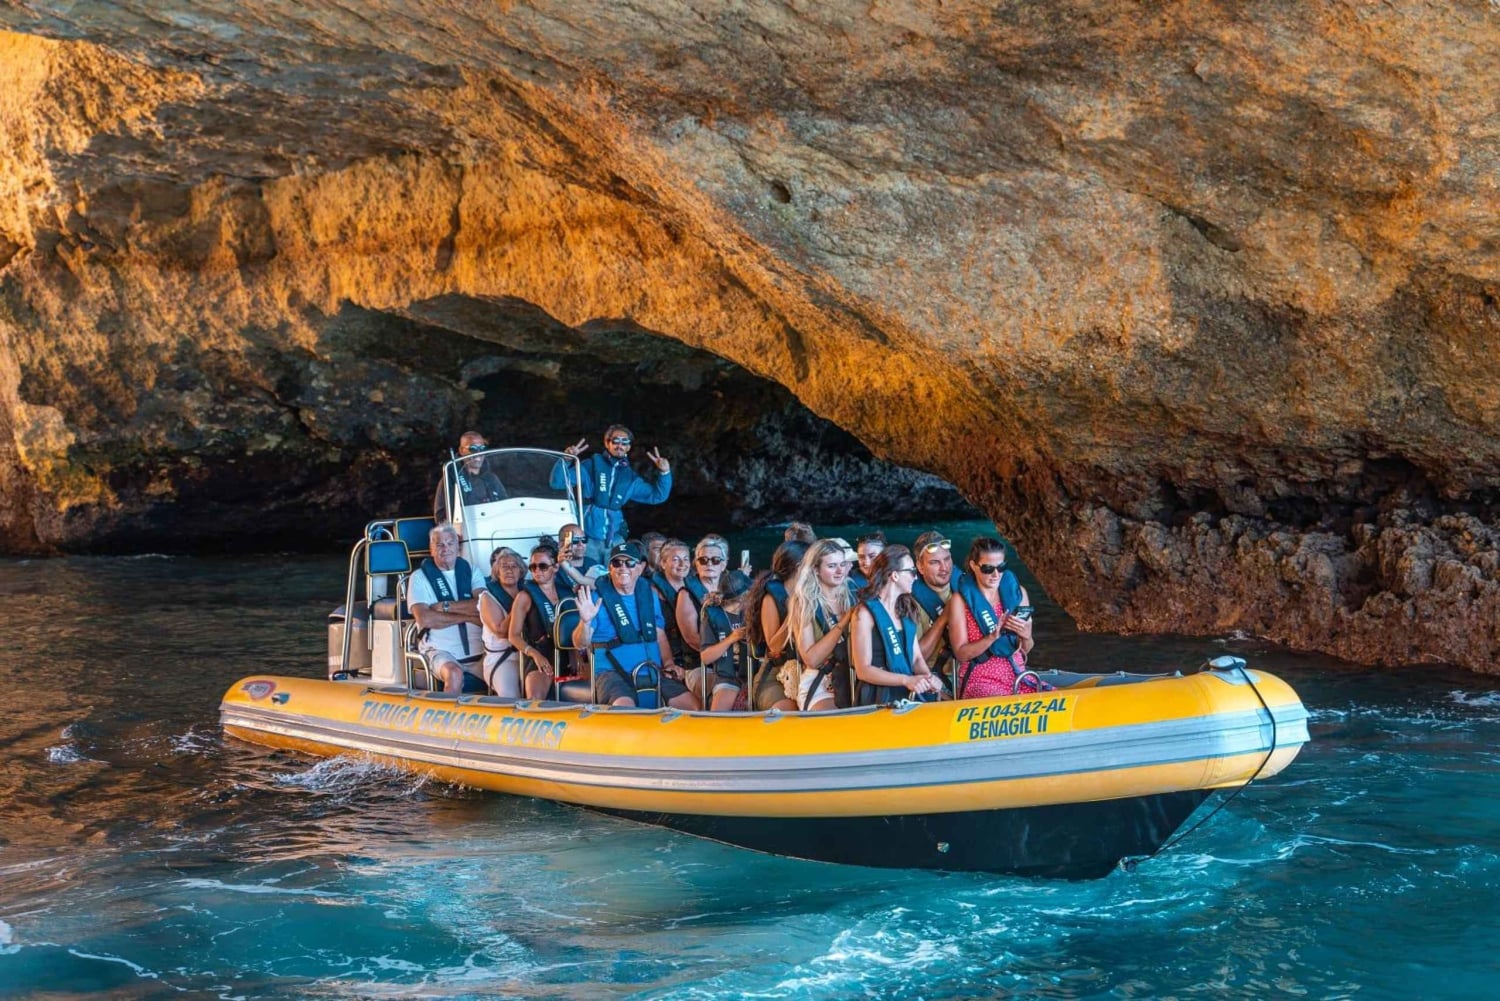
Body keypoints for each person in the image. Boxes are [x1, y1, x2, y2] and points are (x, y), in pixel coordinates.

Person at [574, 542, 698, 709]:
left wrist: (668, 663)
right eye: (617, 563)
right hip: (612, 674)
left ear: (640, 567)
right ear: (610, 567)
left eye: (629, 563)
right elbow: (579, 643)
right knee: (624, 707)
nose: (622, 568)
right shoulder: (596, 598)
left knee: (692, 706)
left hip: (652, 671)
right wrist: (586, 621)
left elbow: (658, 632)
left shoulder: (648, 595)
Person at [552, 426, 672, 564]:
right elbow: (558, 482)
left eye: (624, 442)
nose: (620, 445)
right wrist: (566, 459)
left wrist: (665, 473)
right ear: (607, 443)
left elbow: (658, 496)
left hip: (614, 539)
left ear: (628, 447)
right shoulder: (590, 466)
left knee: (617, 575)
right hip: (587, 539)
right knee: (588, 576)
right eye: (615, 441)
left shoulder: (630, 478)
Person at [850, 546, 944, 705]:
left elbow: (916, 659)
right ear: (894, 575)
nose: (915, 578)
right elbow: (863, 670)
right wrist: (906, 680)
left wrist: (929, 679)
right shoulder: (864, 613)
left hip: (908, 695)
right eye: (911, 572)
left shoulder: (907, 609)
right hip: (877, 698)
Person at [947, 537, 1036, 698]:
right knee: (1005, 704)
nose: (996, 574)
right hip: (981, 680)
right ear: (974, 566)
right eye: (988, 569)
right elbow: (961, 653)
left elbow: (1025, 649)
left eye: (1001, 567)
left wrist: (1027, 636)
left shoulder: (1019, 593)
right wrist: (991, 637)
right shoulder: (959, 601)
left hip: (1017, 675)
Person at [407, 524, 486, 694]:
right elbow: (426, 619)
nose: (445, 549)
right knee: (454, 673)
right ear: (431, 549)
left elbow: (483, 606)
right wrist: (468, 616)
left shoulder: (472, 571)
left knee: (509, 673)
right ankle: (446, 718)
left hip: (479, 652)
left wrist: (445, 607)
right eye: (439, 545)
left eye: (450, 544)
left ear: (458, 547)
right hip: (441, 652)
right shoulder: (419, 578)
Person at [784, 540, 858, 711]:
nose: (840, 571)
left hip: (853, 676)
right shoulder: (803, 603)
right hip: (822, 681)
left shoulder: (854, 593)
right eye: (832, 566)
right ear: (816, 570)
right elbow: (811, 659)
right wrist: (843, 623)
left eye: (843, 564)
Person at [508, 540, 578, 700]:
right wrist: (534, 655)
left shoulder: (567, 592)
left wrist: (575, 654)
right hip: (540, 655)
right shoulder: (524, 596)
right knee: (535, 697)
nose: (537, 571)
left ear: (555, 567)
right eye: (532, 567)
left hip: (568, 655)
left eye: (543, 566)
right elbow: (513, 636)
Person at [743, 540, 807, 711]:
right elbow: (774, 646)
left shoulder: (812, 593)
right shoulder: (771, 598)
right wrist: (794, 611)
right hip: (775, 675)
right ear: (800, 566)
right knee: (790, 709)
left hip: (805, 672)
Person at [689, 570, 754, 711]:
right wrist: (731, 638)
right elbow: (705, 658)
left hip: (754, 675)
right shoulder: (713, 614)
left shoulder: (753, 611)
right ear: (744, 596)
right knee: (718, 716)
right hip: (728, 676)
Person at [910, 531, 958, 685]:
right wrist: (944, 617)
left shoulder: (966, 588)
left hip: (966, 672)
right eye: (935, 562)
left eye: (947, 559)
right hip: (933, 678)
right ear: (920, 567)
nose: (944, 568)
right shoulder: (910, 601)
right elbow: (916, 658)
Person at [675, 534, 730, 661]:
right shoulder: (686, 594)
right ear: (696, 564)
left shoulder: (731, 590)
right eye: (703, 560)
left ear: (724, 564)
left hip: (732, 657)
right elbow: (692, 638)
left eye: (715, 560)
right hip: (701, 663)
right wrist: (724, 654)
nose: (709, 564)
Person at [478, 547, 524, 696]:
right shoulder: (487, 597)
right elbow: (501, 631)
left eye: (514, 566)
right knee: (510, 697)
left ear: (521, 571)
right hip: (502, 658)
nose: (509, 570)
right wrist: (519, 604)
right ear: (497, 572)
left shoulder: (529, 591)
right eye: (504, 566)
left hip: (528, 655)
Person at [433, 431, 507, 522]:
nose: (478, 453)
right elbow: (440, 515)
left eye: (482, 448)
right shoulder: (451, 479)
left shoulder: (491, 478)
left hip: (493, 529)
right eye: (473, 449)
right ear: (461, 450)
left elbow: (505, 506)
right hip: (467, 531)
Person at [646, 538, 693, 670]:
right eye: (675, 559)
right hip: (670, 657)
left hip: (695, 653)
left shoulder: (696, 587)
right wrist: (669, 663)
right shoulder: (652, 591)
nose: (682, 563)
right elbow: (656, 631)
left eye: (686, 558)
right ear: (663, 563)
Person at [557, 523, 604, 591]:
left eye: (584, 540)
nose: (581, 544)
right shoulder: (555, 570)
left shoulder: (592, 563)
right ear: (561, 544)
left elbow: (604, 586)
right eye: (575, 540)